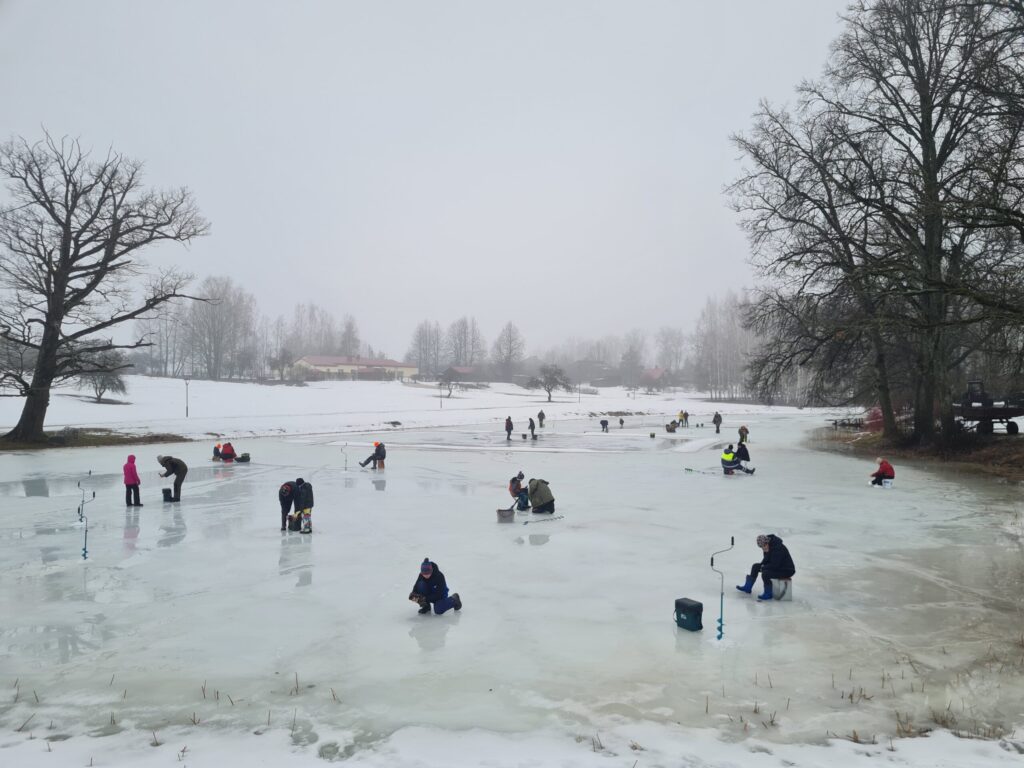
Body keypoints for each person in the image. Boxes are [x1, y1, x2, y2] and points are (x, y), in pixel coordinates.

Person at [736, 534, 795, 601]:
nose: (763, 548)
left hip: (787, 570)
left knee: (766, 573)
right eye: (761, 547)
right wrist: (761, 566)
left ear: (767, 542)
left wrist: (763, 568)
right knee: (755, 566)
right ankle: (748, 587)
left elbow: (775, 565)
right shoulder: (768, 547)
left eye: (764, 546)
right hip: (778, 567)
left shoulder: (778, 548)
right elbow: (766, 561)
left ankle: (768, 593)